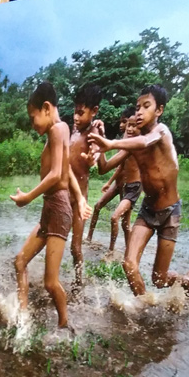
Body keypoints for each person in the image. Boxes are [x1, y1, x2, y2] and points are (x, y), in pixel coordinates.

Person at [89, 85, 189, 297]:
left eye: (146, 106)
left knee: (159, 279)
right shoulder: (130, 145)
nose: (139, 112)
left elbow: (147, 140)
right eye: (137, 107)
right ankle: (146, 307)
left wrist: (111, 143)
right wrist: (99, 142)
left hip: (170, 212)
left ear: (159, 111)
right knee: (129, 264)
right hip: (148, 211)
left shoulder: (161, 132)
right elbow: (103, 168)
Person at [10, 81, 90, 329]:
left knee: (50, 282)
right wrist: (80, 198)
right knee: (20, 261)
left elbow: (56, 174)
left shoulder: (57, 130)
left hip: (57, 210)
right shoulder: (61, 130)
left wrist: (28, 197)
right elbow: (66, 169)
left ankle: (65, 326)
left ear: (46, 108)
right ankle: (22, 316)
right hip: (51, 209)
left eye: (33, 117)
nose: (33, 124)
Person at [69, 82, 104, 286]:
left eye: (81, 113)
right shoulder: (72, 130)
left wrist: (93, 157)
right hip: (64, 194)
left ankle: (79, 281)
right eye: (75, 111)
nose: (76, 117)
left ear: (94, 111)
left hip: (80, 199)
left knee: (75, 246)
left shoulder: (93, 133)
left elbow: (96, 152)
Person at [86, 106, 134, 244]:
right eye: (123, 122)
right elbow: (119, 165)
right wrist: (109, 182)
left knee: (124, 223)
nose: (122, 125)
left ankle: (122, 252)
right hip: (118, 183)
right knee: (97, 206)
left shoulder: (135, 140)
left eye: (125, 122)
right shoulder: (125, 139)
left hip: (130, 186)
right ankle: (89, 237)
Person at [96, 113, 142, 252]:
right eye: (129, 125)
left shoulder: (140, 143)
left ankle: (111, 251)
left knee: (115, 217)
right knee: (125, 224)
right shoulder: (127, 145)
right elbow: (105, 167)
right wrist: (100, 140)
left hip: (135, 187)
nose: (130, 129)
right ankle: (130, 252)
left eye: (134, 126)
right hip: (125, 186)